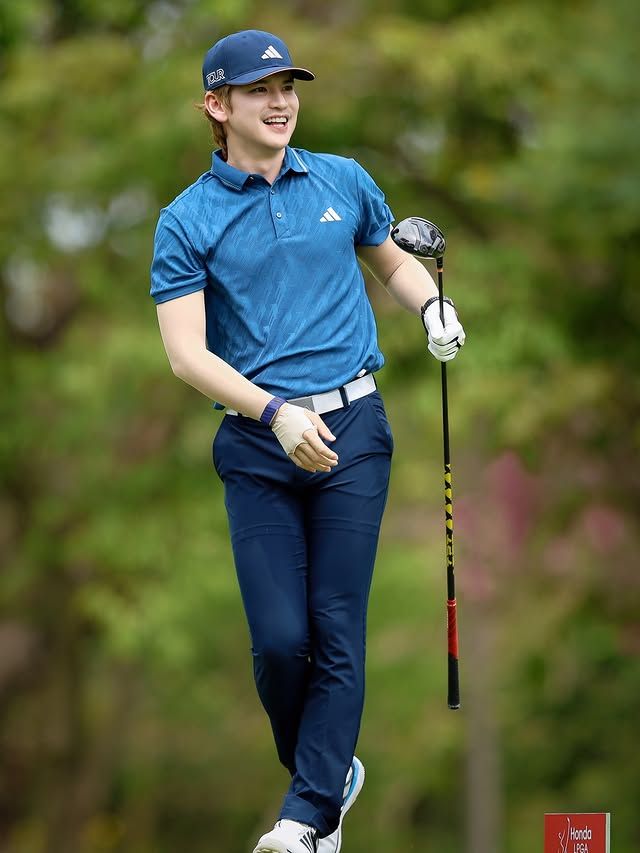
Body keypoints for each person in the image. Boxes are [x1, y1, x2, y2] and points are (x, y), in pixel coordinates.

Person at [150, 29, 465, 853]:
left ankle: (306, 818)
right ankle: (328, 775)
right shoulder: (187, 219)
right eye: (259, 90)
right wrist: (275, 414)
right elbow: (186, 355)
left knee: (335, 625)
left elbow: (391, 262)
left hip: (354, 429)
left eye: (287, 86)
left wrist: (431, 304)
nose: (280, 102)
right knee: (282, 643)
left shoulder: (343, 179)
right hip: (259, 443)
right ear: (217, 106)